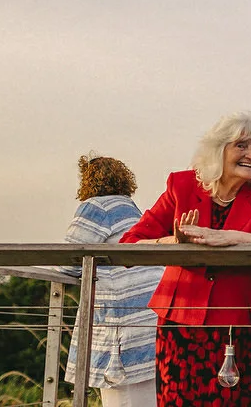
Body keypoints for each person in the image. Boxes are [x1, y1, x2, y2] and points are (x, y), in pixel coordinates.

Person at [121, 112, 251, 407]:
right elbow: (130, 244)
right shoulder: (181, 185)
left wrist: (232, 237)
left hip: (245, 326)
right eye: (241, 146)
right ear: (219, 149)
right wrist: (173, 244)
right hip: (182, 324)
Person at [62, 155, 165, 407]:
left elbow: (68, 260)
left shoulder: (97, 208)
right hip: (148, 319)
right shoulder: (131, 209)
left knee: (123, 398)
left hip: (121, 327)